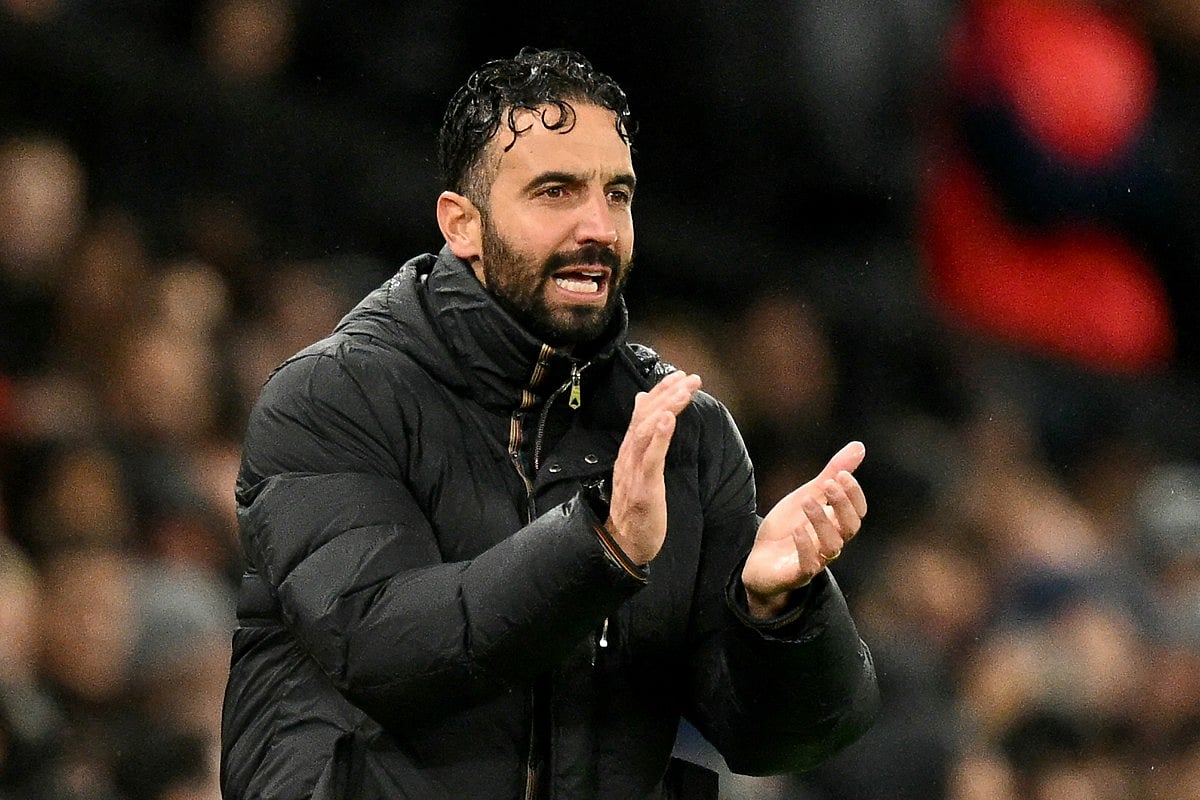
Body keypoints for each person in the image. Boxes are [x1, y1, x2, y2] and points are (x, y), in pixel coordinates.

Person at [220, 47, 879, 800]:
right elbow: (381, 645)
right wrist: (597, 547)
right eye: (556, 191)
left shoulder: (681, 433)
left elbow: (780, 740)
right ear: (461, 224)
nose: (598, 226)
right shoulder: (331, 398)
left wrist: (775, 611)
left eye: (618, 194)